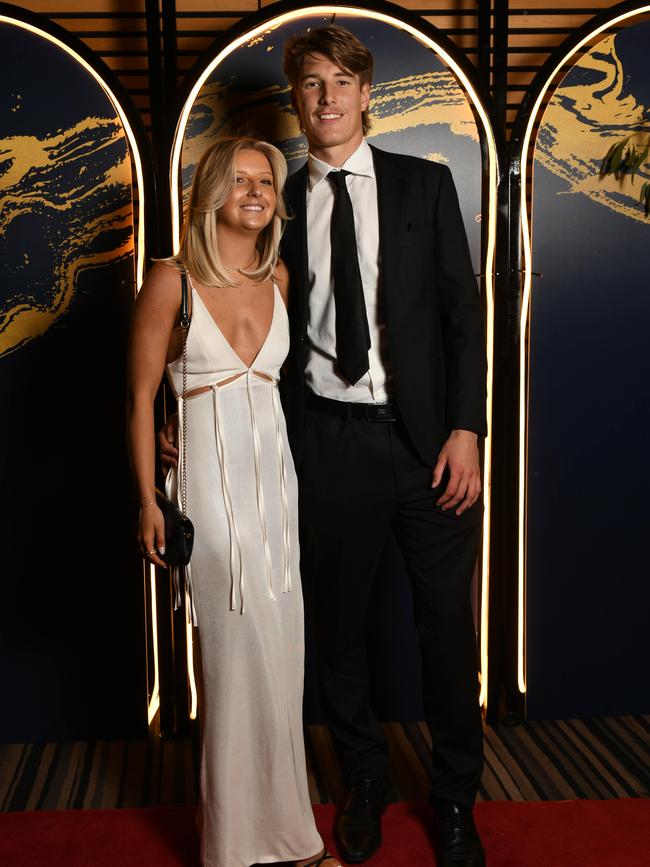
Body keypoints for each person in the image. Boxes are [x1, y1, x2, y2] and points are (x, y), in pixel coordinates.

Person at [162, 26, 487, 867]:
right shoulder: (276, 200)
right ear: (297, 99)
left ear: (366, 93)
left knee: (448, 629)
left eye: (343, 82)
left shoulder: (425, 184)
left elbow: (463, 315)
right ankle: (365, 783)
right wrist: (181, 409)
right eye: (312, 84)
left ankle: (456, 801)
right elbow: (219, 296)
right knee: (335, 633)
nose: (328, 98)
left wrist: (468, 428)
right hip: (326, 447)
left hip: (427, 449)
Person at [127, 136, 340, 867]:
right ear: (213, 190)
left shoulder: (278, 276)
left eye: (267, 182)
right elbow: (137, 399)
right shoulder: (170, 280)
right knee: (233, 651)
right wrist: (149, 499)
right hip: (209, 489)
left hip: (276, 485)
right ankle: (232, 845)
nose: (256, 191)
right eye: (241, 179)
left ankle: (288, 832)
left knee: (282, 652)